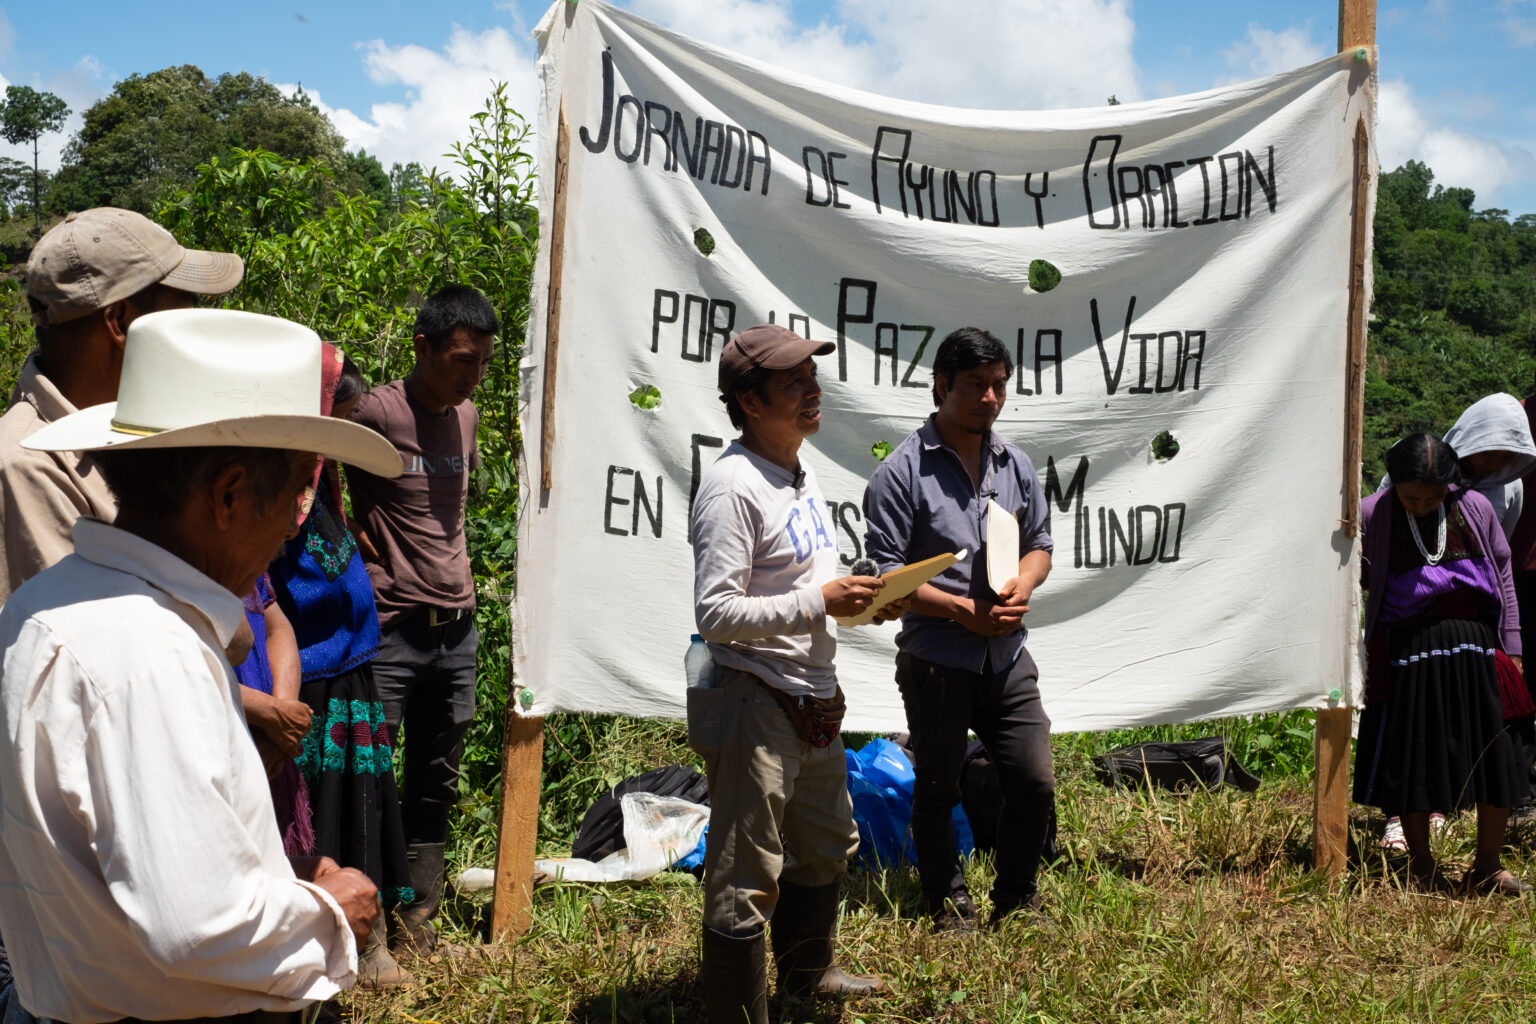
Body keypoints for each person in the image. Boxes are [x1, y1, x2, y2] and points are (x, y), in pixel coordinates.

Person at [0, 308, 405, 1022]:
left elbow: (125, 873)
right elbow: (195, 931)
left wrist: (269, 881)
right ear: (229, 494)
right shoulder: (153, 653)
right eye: (292, 496)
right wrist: (327, 912)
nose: (291, 526)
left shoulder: (46, 603)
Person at [690, 323, 892, 1023]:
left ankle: (808, 975)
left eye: (813, 376)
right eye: (793, 382)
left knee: (825, 845)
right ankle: (739, 1014)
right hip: (754, 697)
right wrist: (821, 602)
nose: (813, 390)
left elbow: (802, 585)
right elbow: (716, 613)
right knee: (745, 874)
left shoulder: (798, 472)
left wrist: (865, 598)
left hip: (810, 695)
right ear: (749, 401)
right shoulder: (733, 486)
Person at [862, 327, 1057, 930]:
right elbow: (887, 575)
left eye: (999, 385)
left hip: (1007, 657)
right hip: (937, 660)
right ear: (942, 386)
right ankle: (948, 904)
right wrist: (960, 610)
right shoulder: (901, 472)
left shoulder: (1014, 462)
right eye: (975, 385)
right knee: (938, 788)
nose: (990, 398)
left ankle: (1017, 899)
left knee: (1034, 782)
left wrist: (1025, 583)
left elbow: (1040, 544)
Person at [346, 285, 495, 954]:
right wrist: (338, 525)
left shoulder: (466, 418)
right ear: (423, 348)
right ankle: (367, 933)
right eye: (462, 360)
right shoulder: (376, 411)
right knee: (370, 778)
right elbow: (303, 454)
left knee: (436, 781)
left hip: (455, 628)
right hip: (391, 629)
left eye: (483, 362)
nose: (473, 376)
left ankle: (417, 924)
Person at [0, 206, 244, 603]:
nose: (194, 327)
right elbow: (86, 633)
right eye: (184, 307)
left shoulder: (137, 421)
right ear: (120, 322)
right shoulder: (27, 468)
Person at [271, 345, 414, 987]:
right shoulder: (282, 495)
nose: (347, 433)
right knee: (321, 811)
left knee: (364, 804)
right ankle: (329, 945)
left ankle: (372, 936)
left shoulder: (321, 488)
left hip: (352, 672)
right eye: (342, 417)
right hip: (312, 682)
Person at [1355, 432, 1529, 896]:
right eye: (1412, 497)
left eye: (1432, 498)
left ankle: (1488, 865)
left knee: (1494, 757)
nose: (1422, 505)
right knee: (1415, 755)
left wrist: (1512, 645)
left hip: (1477, 645)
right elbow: (1354, 579)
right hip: (1410, 648)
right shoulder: (1373, 514)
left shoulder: (1475, 507)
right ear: (1394, 483)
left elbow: (1503, 572)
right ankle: (1422, 865)